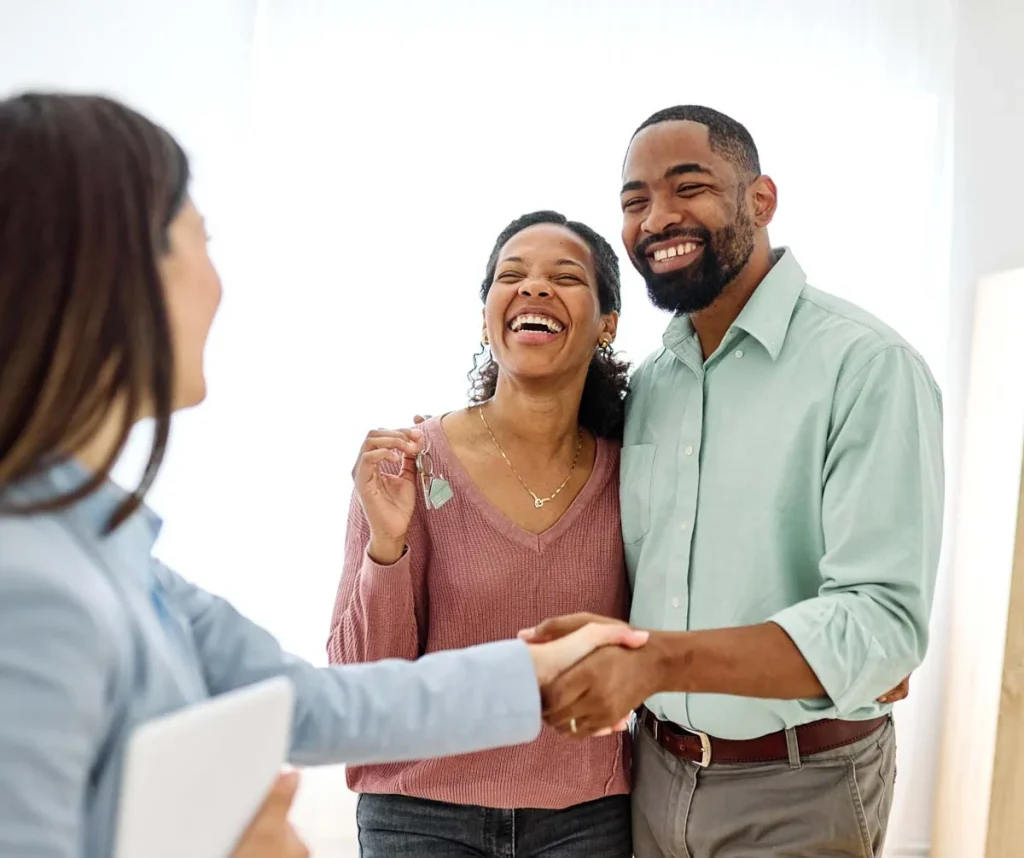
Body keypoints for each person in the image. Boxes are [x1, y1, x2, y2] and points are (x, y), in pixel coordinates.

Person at [0, 93, 647, 858]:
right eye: (198, 237)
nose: (219, 282)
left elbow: (311, 706)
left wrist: (534, 673)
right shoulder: (31, 585)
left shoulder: (116, 550)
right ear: (109, 272)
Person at [523, 105, 944, 857]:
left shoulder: (868, 366)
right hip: (653, 778)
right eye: (634, 201)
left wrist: (661, 659)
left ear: (761, 200)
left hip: (801, 787)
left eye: (690, 187)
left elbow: (881, 625)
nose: (658, 218)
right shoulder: (652, 385)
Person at [329, 211, 635, 857]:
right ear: (487, 313)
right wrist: (387, 549)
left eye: (565, 276)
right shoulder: (406, 464)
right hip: (417, 815)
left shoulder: (631, 473)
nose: (533, 288)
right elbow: (360, 687)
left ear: (607, 323)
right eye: (512, 275)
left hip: (585, 818)